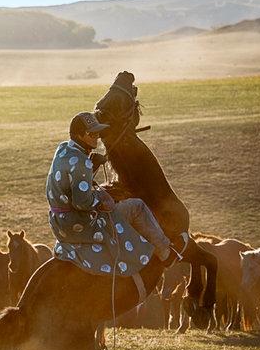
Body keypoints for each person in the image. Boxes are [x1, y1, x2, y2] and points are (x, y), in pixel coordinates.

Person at [46, 111, 179, 277]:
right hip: (79, 224)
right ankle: (166, 253)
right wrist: (101, 198)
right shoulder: (81, 162)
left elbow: (70, 183)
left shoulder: (64, 149)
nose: (97, 136)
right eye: (92, 133)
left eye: (98, 132)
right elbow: (82, 203)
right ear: (79, 135)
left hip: (59, 224)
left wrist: (91, 166)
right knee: (136, 207)